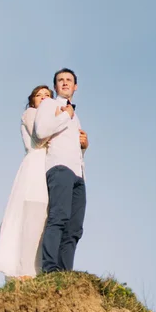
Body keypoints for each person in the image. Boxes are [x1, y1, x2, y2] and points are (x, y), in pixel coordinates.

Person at [0, 85, 53, 279]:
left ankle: (36, 270)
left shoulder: (47, 118)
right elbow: (41, 138)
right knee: (31, 217)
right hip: (35, 168)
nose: (43, 98)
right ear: (32, 100)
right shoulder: (31, 113)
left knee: (43, 219)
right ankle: (26, 271)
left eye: (47, 95)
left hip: (46, 167)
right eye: (38, 95)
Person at [34, 68, 88, 273]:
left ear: (75, 86)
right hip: (59, 168)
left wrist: (85, 147)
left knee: (74, 228)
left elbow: (71, 146)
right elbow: (41, 132)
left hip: (78, 174)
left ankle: (65, 273)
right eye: (60, 80)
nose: (65, 83)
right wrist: (66, 116)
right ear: (55, 86)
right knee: (59, 217)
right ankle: (50, 269)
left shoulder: (76, 116)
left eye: (69, 80)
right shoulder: (49, 104)